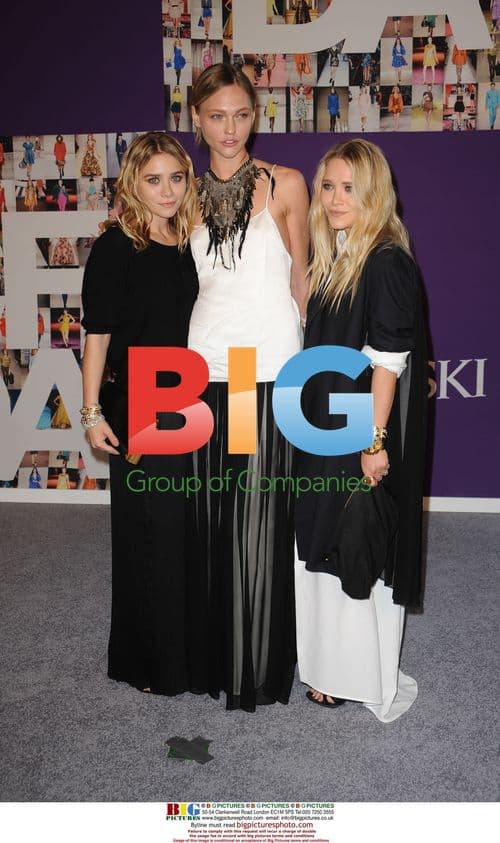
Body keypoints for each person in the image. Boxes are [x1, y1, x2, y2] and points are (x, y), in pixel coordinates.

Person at [188, 62, 309, 711]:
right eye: (216, 116)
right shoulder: (182, 195)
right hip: (209, 366)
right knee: (218, 517)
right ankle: (219, 656)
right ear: (197, 119)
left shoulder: (286, 183)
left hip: (264, 367)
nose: (229, 128)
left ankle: (256, 666)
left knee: (259, 518)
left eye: (240, 115)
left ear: (255, 116)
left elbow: (302, 278)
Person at [294, 139, 427, 722]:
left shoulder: (386, 261)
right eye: (327, 186)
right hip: (326, 423)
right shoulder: (337, 255)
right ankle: (326, 666)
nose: (335, 199)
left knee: (355, 546)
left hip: (357, 430)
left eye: (349, 188)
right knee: (322, 539)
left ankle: (353, 674)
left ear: (374, 193)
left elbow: (388, 365)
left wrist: (373, 444)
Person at [81, 131, 199, 696]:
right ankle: (147, 662)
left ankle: (182, 651)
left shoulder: (188, 240)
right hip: (140, 401)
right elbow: (97, 337)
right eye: (154, 180)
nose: (167, 190)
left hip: (189, 396)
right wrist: (90, 413)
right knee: (147, 532)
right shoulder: (115, 246)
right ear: (133, 183)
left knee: (179, 531)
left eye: (176, 178)